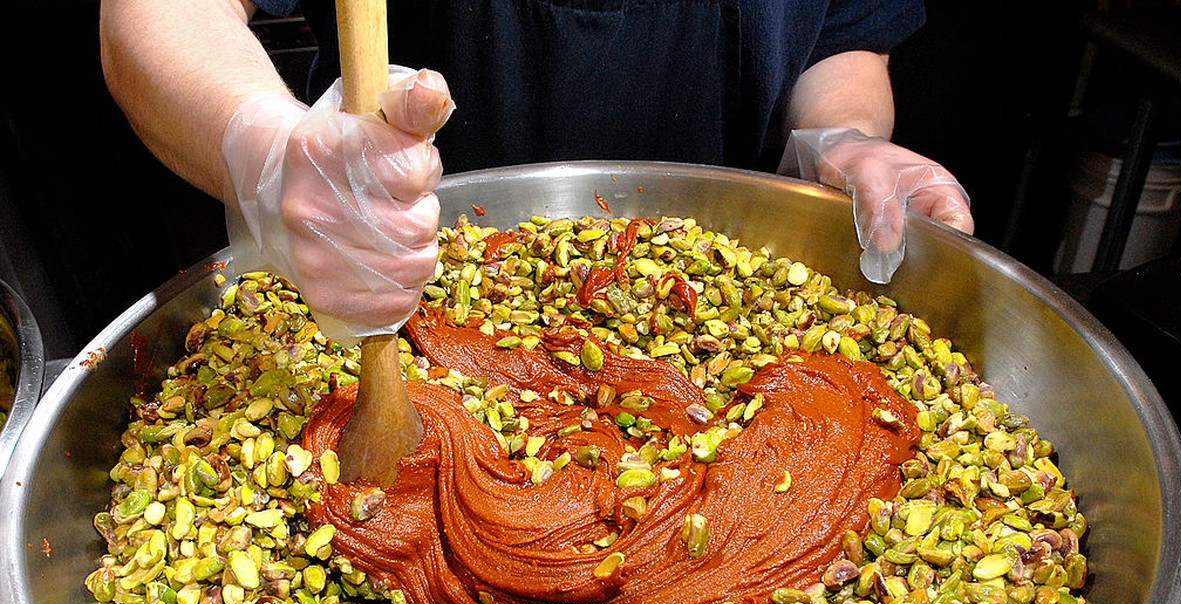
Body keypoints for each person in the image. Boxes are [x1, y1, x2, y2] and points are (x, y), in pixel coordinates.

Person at [98, 0, 973, 346]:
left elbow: (844, 36)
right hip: (382, 272)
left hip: (734, 294)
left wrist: (845, 137)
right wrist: (266, 148)